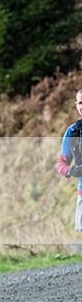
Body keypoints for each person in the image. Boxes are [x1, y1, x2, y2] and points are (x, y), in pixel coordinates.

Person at [55, 89, 82, 230]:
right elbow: (61, 164)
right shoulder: (72, 132)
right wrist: (71, 170)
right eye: (81, 103)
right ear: (76, 105)